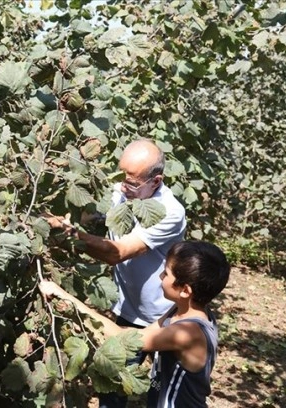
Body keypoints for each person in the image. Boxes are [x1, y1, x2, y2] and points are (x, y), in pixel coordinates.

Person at [43, 139, 186, 406]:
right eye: (121, 176)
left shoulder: (170, 211)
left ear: (156, 181)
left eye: (131, 182)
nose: (122, 186)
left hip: (165, 317)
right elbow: (88, 215)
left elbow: (117, 252)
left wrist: (69, 233)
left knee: (163, 394)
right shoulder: (124, 191)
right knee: (112, 390)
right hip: (127, 310)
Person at [39, 241, 230, 408]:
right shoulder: (181, 311)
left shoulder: (187, 332)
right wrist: (87, 325)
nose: (160, 277)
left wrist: (65, 297)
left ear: (185, 290)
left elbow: (123, 339)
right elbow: (137, 334)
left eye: (166, 273)